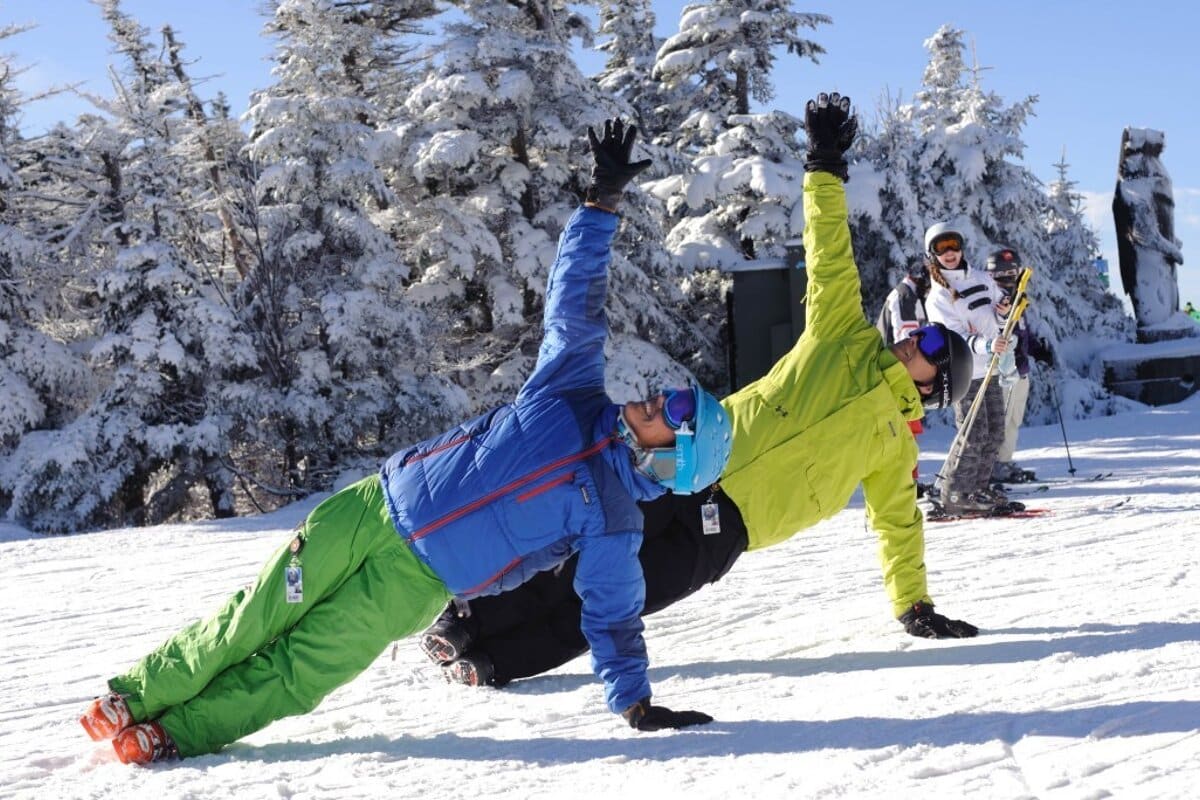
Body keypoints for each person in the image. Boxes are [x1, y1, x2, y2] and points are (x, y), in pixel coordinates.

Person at [76, 119, 733, 765]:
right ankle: (137, 694)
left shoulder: (615, 521)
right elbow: (576, 302)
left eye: (676, 409)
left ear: (672, 458)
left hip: (416, 583)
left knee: (303, 667)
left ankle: (178, 733)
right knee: (258, 615)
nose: (659, 396)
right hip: (371, 508)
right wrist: (601, 204)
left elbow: (613, 617)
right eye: (674, 391)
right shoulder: (572, 391)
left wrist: (635, 703)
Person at [418, 92, 981, 691]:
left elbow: (899, 526)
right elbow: (829, 254)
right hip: (684, 459)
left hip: (730, 529)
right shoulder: (844, 336)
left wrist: (913, 604)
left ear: (935, 385)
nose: (915, 339)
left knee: (624, 595)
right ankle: (465, 620)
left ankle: (498, 662)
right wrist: (824, 165)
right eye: (922, 332)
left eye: (931, 347)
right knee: (582, 551)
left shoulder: (894, 446)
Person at [923, 224, 1015, 514]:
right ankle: (955, 492)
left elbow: (999, 316)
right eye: (941, 248)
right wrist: (986, 345)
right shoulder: (938, 296)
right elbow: (953, 337)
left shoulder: (982, 279)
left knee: (995, 432)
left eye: (953, 244)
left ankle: (977, 488)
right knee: (974, 433)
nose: (949, 253)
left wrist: (1004, 314)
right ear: (933, 254)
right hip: (964, 372)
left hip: (990, 368)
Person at [985, 247, 1052, 484]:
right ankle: (991, 465)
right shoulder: (993, 301)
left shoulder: (1018, 301)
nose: (1008, 280)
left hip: (1020, 371)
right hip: (1002, 372)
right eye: (1002, 275)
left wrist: (1038, 350)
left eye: (1011, 274)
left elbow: (1024, 334)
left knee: (1014, 419)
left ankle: (1004, 462)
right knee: (1000, 420)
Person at [876, 260, 933, 491]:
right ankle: (906, 482)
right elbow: (907, 337)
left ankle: (908, 481)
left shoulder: (908, 295)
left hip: (896, 372)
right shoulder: (905, 296)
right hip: (898, 374)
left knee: (906, 430)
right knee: (905, 429)